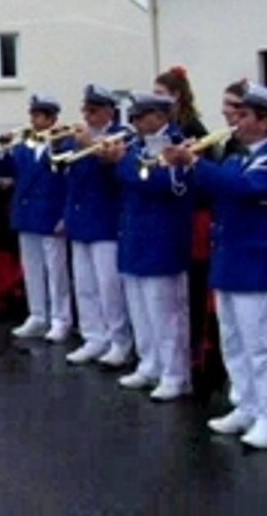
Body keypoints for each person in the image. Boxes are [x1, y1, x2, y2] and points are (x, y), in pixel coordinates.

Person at [165, 83, 267, 449]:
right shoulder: (236, 158)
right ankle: (246, 404)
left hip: (257, 266)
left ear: (265, 122)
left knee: (262, 346)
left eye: (244, 115)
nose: (235, 120)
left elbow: (244, 188)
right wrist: (183, 165)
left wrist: (196, 162)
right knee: (234, 341)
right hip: (229, 262)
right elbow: (212, 190)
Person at [101, 92, 193, 401]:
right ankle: (150, 362)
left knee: (165, 313)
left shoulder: (175, 144)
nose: (136, 124)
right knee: (140, 309)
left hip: (162, 238)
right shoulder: (138, 146)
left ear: (160, 116)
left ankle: (174, 373)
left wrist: (121, 162)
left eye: (141, 117)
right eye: (134, 118)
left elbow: (161, 183)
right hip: (135, 236)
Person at [154, 66, 223, 398]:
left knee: (193, 285)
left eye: (161, 94)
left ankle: (198, 355)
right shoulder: (170, 128)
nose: (156, 99)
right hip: (181, 211)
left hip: (196, 214)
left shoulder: (192, 128)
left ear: (176, 95)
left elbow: (202, 177)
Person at [61, 85, 132, 367]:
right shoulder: (78, 139)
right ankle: (93, 337)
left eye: (93, 111)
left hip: (106, 222)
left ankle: (119, 341)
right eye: (85, 110)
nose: (87, 116)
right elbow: (71, 180)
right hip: (80, 221)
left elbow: (117, 176)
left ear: (108, 112)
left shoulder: (122, 136)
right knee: (85, 286)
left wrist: (91, 145)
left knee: (109, 288)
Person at [0, 95, 71, 342]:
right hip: (26, 214)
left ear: (51, 119)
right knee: (32, 269)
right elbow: (7, 173)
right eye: (32, 115)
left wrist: (64, 216)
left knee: (56, 272)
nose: (33, 120)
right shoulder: (24, 147)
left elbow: (68, 182)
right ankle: (38, 315)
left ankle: (60, 319)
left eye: (38, 116)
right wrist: (5, 149)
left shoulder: (64, 145)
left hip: (50, 215)